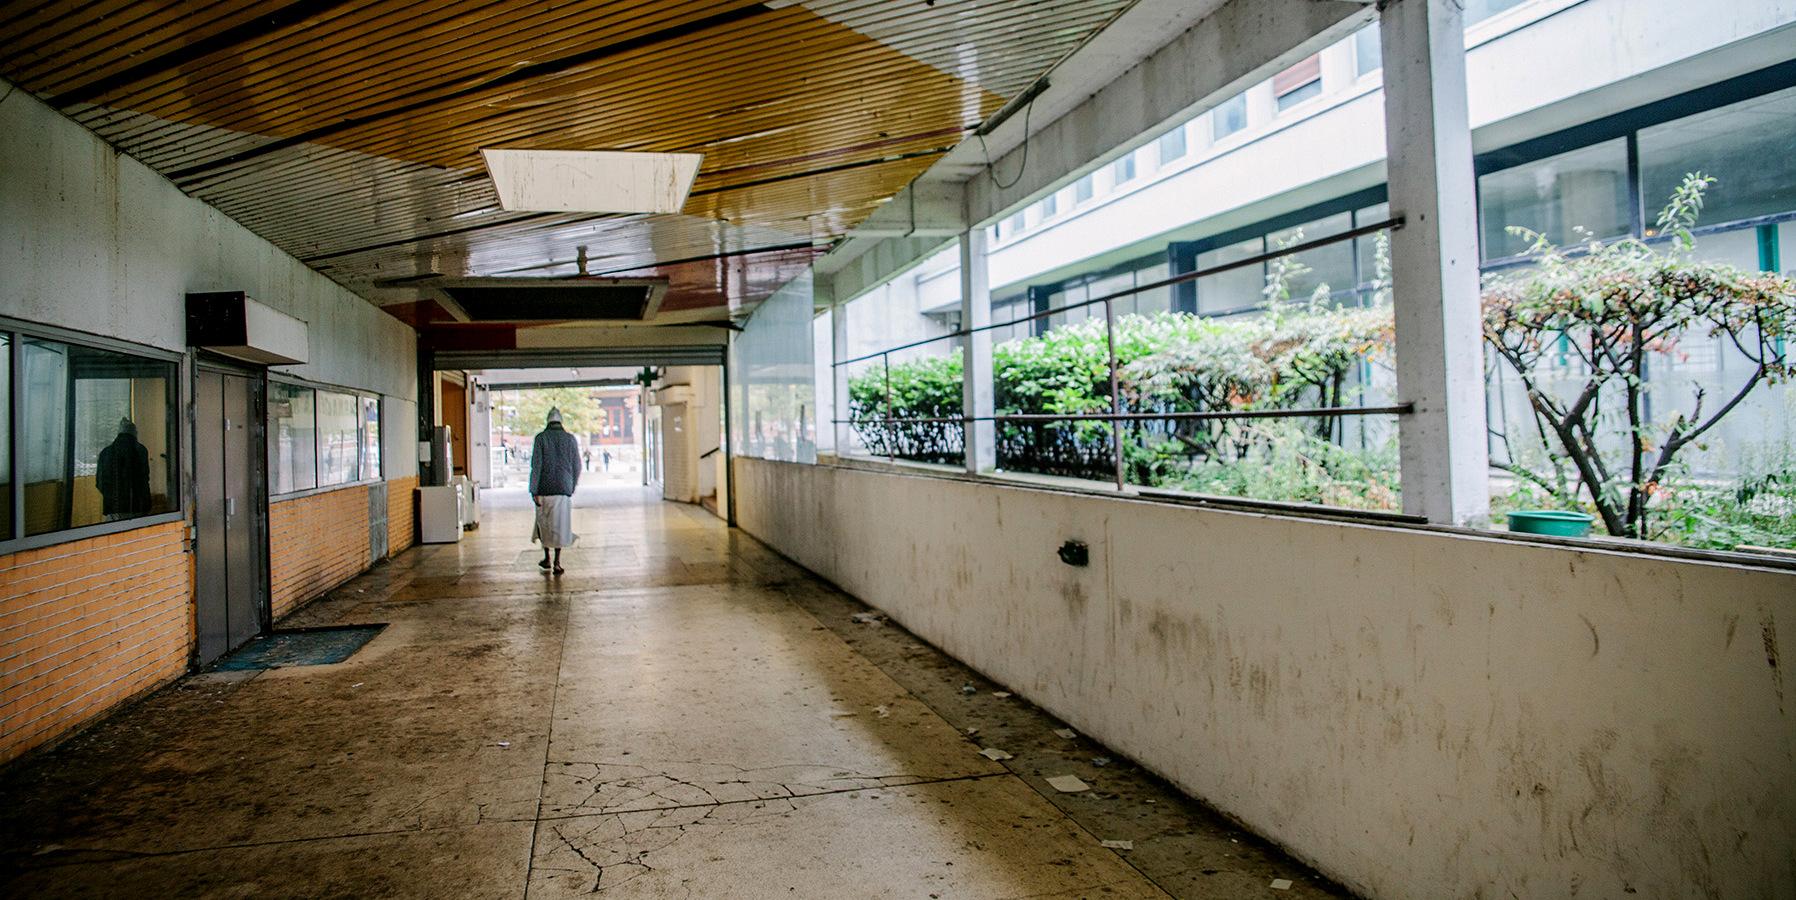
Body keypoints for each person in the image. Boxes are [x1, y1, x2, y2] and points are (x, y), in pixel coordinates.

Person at [529, 407, 581, 574]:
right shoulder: (570, 439)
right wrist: (571, 486)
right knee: (561, 526)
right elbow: (577, 465)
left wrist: (533, 490)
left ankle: (547, 558)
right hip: (563, 490)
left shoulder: (540, 438)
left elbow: (536, 466)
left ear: (547, 421)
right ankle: (558, 562)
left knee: (545, 525)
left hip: (544, 489)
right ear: (560, 421)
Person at [96, 418, 151, 520]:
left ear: (119, 432)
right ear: (134, 433)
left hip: (113, 508)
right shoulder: (141, 451)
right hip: (139, 507)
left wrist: (112, 497)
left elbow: (100, 483)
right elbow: (144, 479)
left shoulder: (106, 452)